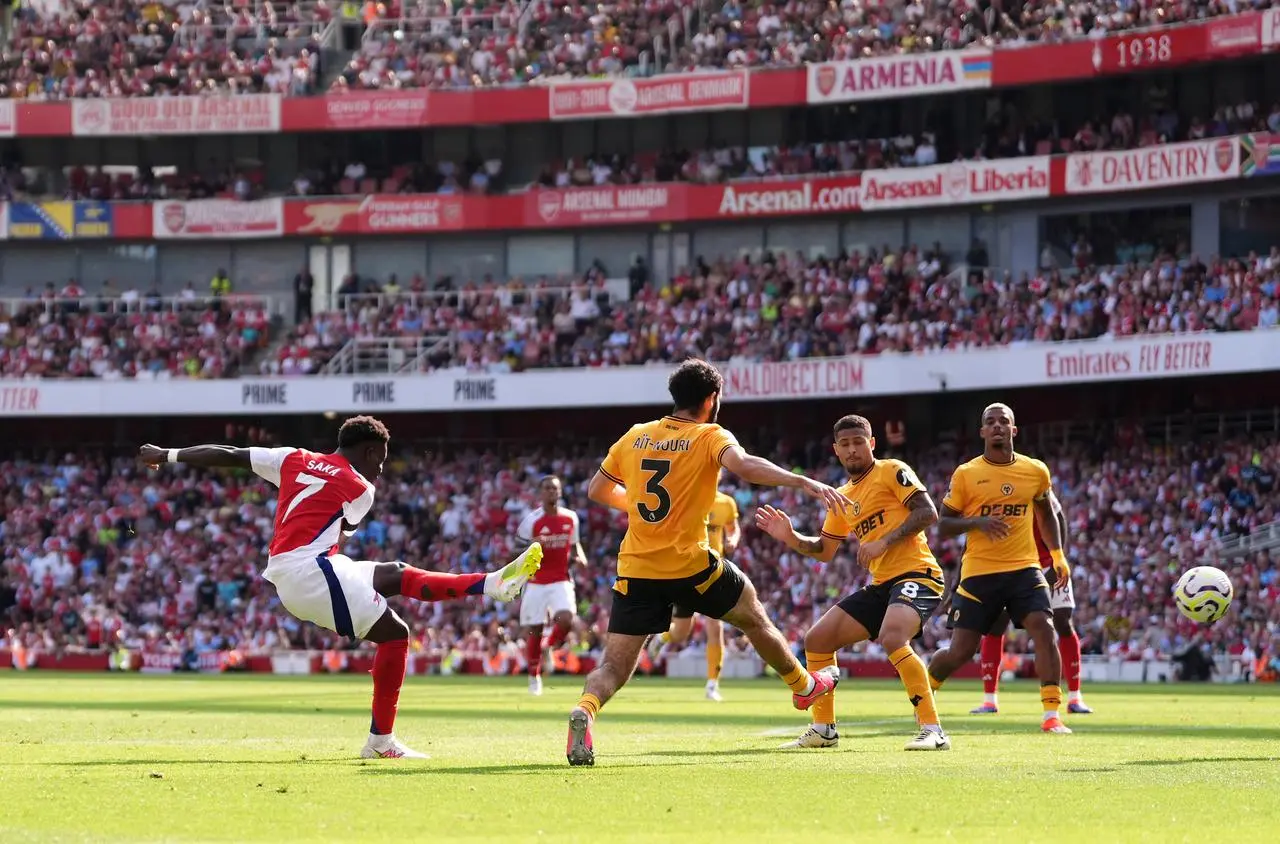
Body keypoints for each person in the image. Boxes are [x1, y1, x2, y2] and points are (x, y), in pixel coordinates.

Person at [137, 416, 543, 759]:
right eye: (380, 461)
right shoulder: (361, 488)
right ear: (368, 453)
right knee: (396, 635)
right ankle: (381, 742)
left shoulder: (292, 457)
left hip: (295, 570)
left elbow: (229, 455)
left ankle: (490, 584)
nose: (381, 470)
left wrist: (168, 455)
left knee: (395, 573)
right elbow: (343, 527)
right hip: (313, 572)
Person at [566, 359, 849, 766]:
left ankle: (586, 710)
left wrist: (637, 508)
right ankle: (803, 684)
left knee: (612, 665)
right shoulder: (710, 434)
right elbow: (744, 465)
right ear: (712, 398)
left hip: (637, 570)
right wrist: (802, 480)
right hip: (690, 566)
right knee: (751, 612)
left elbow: (598, 489)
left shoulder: (635, 435)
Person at [757, 415, 950, 752]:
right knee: (817, 640)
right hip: (882, 584)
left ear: (871, 443)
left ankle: (933, 730)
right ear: (835, 450)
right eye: (844, 445)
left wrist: (884, 541)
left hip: (919, 574)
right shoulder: (841, 497)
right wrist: (789, 537)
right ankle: (823, 729)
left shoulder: (891, 470)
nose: (852, 450)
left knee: (893, 636)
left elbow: (927, 512)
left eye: (858, 442)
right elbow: (824, 549)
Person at [926, 403, 1073, 734]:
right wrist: (978, 522)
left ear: (1013, 430)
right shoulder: (966, 473)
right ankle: (927, 686)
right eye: (989, 422)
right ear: (982, 432)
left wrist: (1058, 554)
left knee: (1044, 628)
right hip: (979, 572)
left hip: (1025, 568)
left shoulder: (1035, 471)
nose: (996, 426)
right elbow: (944, 524)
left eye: (1003, 421)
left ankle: (1052, 714)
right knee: (961, 652)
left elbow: (1046, 513)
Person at [971, 494, 1093, 715]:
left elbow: (1058, 517)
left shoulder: (1034, 484)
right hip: (1013, 567)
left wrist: (1059, 557)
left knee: (1063, 622)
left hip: (1048, 564)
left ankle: (1075, 697)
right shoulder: (992, 491)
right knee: (996, 625)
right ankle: (990, 700)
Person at [648, 480, 741, 701]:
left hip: (714, 572)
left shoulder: (726, 503)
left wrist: (732, 540)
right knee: (681, 632)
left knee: (714, 625)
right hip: (687, 572)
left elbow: (733, 527)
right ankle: (663, 638)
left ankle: (712, 684)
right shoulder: (685, 500)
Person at [516, 475, 586, 696]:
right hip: (536, 581)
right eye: (547, 488)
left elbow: (575, 545)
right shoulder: (531, 521)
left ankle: (549, 646)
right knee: (534, 629)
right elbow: (517, 551)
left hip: (561, 579)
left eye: (555, 489)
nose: (551, 492)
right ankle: (533, 677)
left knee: (567, 618)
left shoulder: (571, 518)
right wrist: (531, 552)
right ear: (540, 493)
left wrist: (581, 558)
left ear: (560, 492)